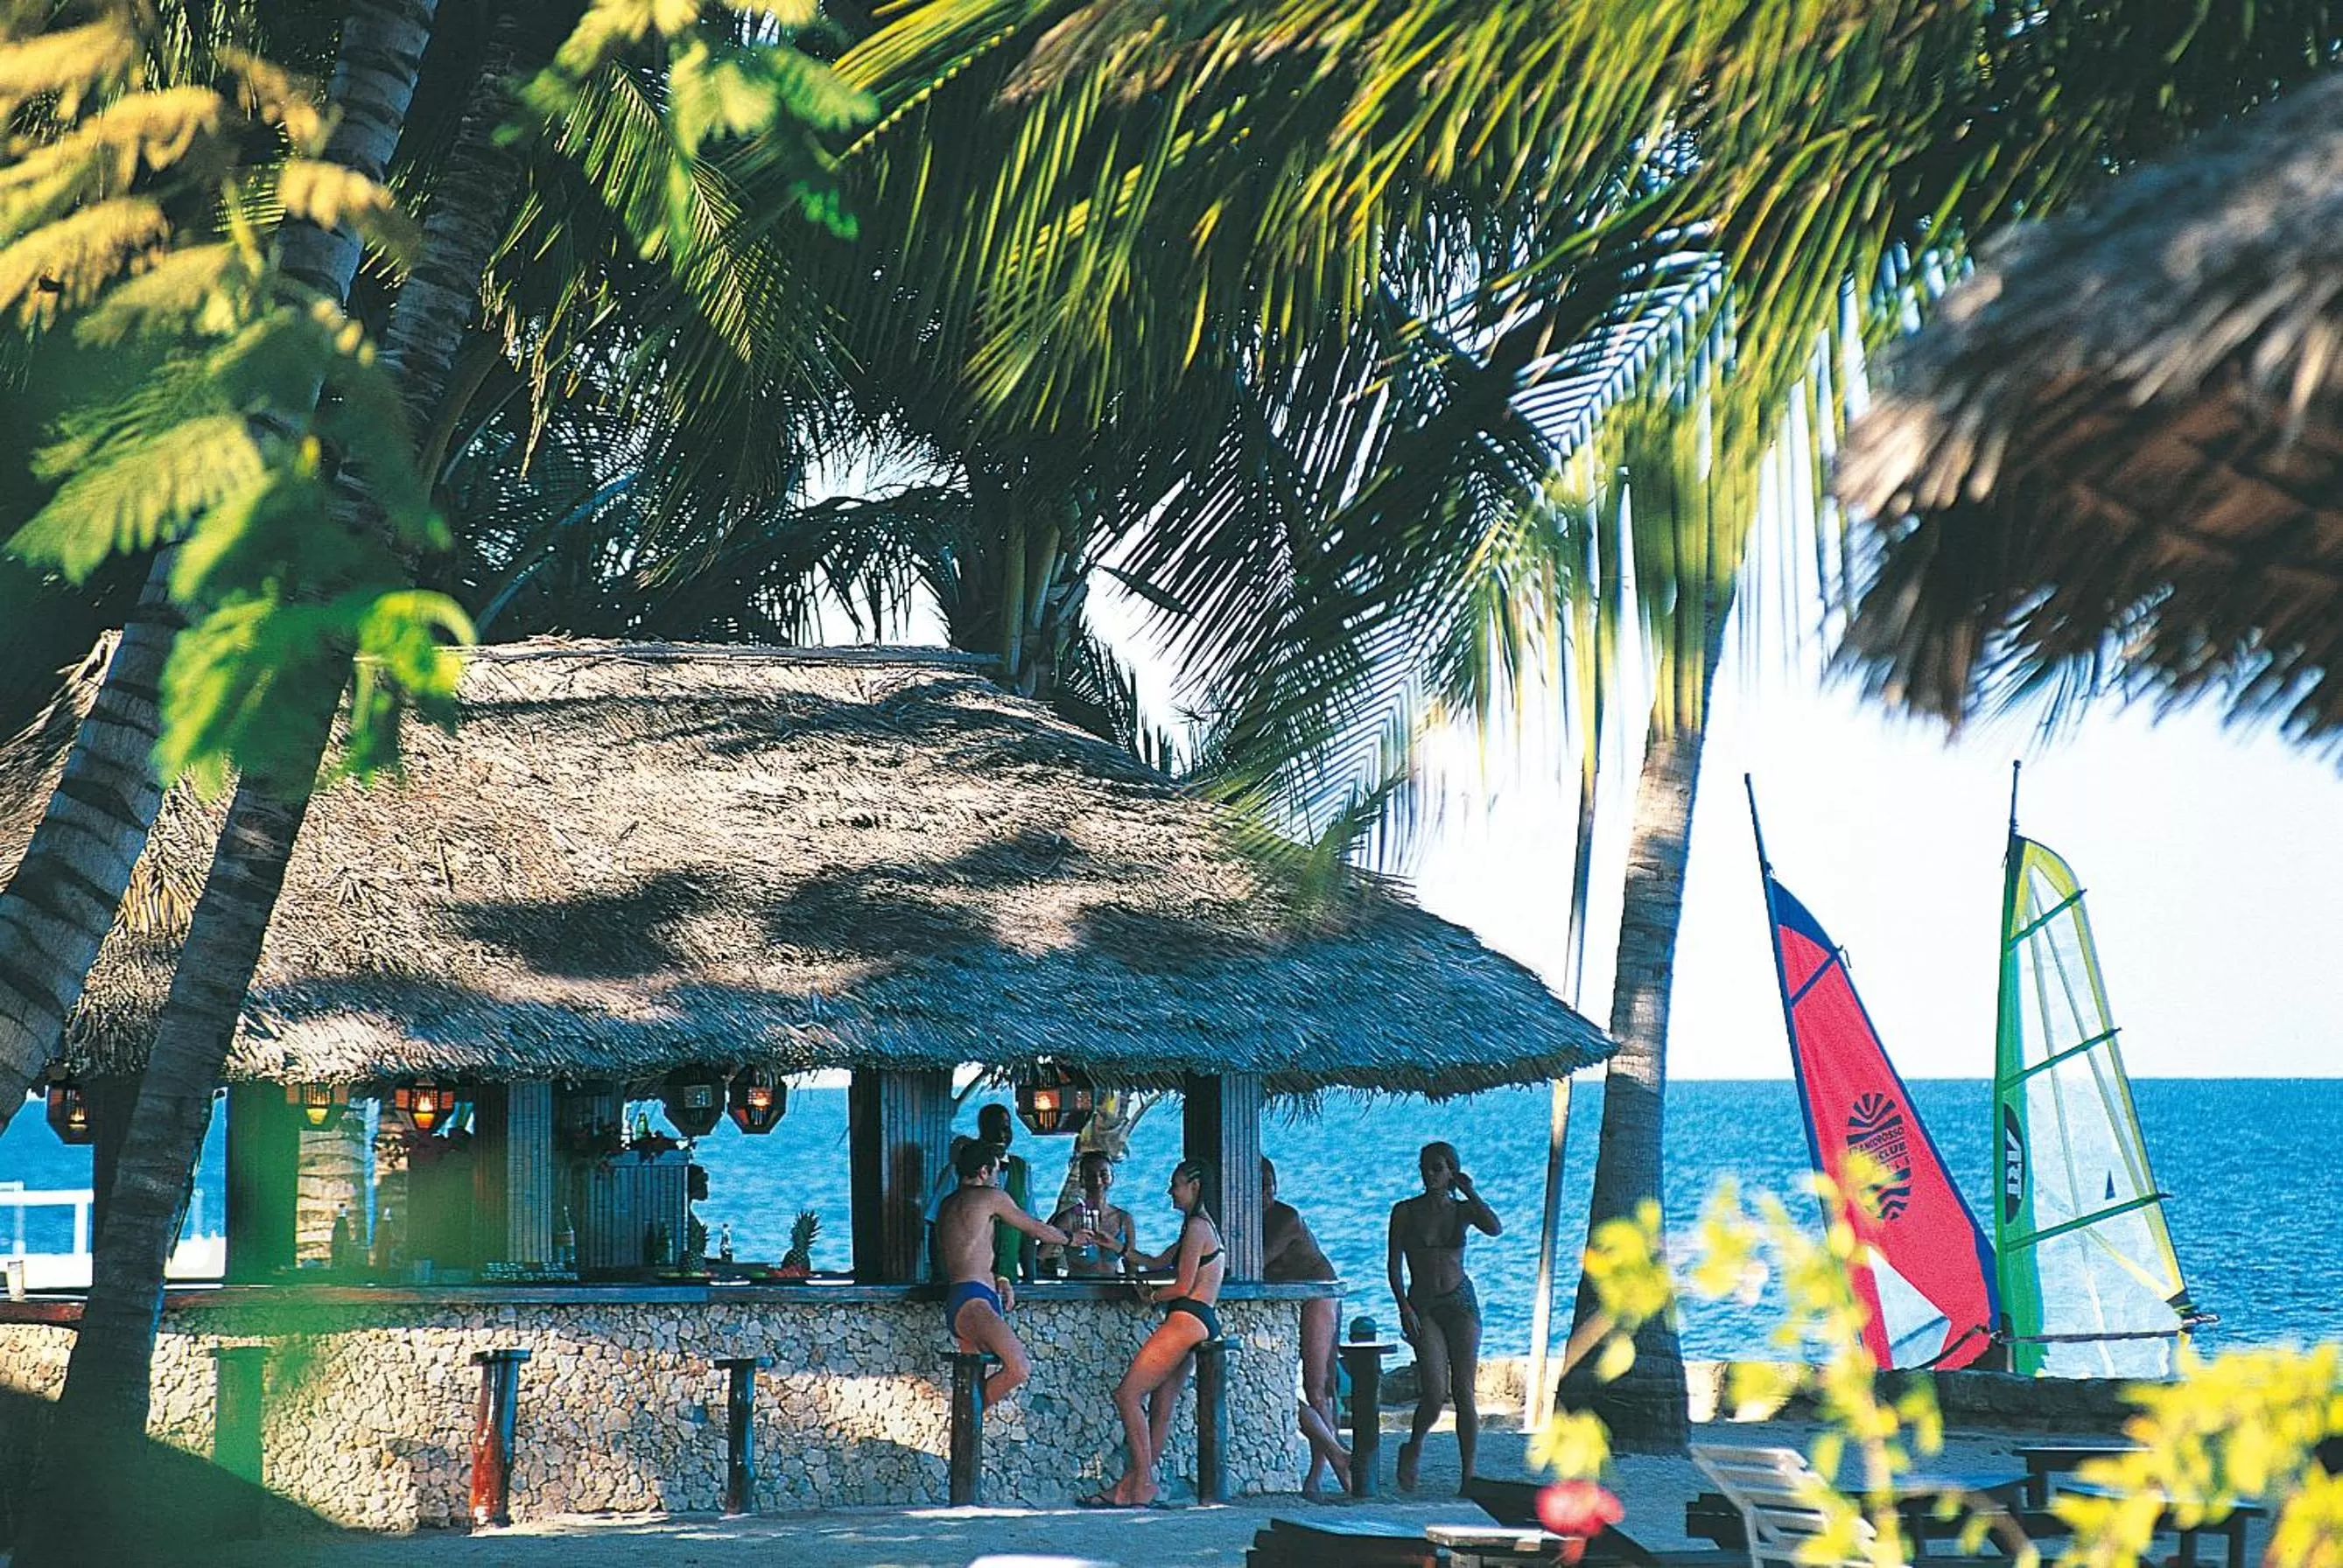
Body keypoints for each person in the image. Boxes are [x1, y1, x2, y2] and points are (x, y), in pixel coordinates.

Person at [1082, 1158, 1226, 1508]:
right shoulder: (1200, 1227)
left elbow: (1181, 1285)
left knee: (1127, 1395)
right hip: (1201, 1319)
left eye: (1175, 1185)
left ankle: (1143, 1483)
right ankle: (1128, 1487)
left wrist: (1149, 1296)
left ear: (1194, 1187)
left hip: (1187, 1317)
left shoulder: (1197, 1228)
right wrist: (1116, 1247)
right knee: (1161, 1405)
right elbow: (1158, 1262)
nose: (1169, 1191)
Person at [936, 1139, 1087, 1408]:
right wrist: (1071, 1238)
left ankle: (965, 1428)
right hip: (974, 1302)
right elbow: (1035, 1228)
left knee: (974, 1383)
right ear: (983, 1171)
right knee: (1018, 1368)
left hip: (963, 1295)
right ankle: (965, 1420)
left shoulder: (948, 1203)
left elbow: (966, 1252)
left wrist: (999, 1278)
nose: (998, 1179)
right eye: (996, 1172)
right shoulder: (991, 1197)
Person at [1386, 1139, 1499, 1493]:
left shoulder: (1463, 1211)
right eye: (1425, 1168)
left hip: (1460, 1299)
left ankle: (1469, 1477)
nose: (1429, 1174)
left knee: (1464, 1393)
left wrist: (1470, 1192)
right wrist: (1403, 1307)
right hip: (1423, 1304)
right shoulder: (1405, 1211)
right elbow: (1393, 1264)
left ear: (1451, 1171)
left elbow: (1495, 1228)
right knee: (1434, 1394)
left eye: (1437, 1168)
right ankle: (1414, 1445)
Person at [1263, 1157, 1350, 1499]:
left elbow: (1257, 1260)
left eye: (1269, 1185)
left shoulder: (1287, 1218)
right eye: (1258, 1187)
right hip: (1290, 1297)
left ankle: (1319, 1474)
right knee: (1296, 1388)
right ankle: (1336, 1457)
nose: (1265, 1193)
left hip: (1317, 1290)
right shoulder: (1245, 1219)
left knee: (1318, 1388)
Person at [1049, 1152, 1135, 1278]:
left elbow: (1132, 1265)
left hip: (1113, 1286)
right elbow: (1040, 1256)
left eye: (1103, 1174)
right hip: (1079, 1287)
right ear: (1082, 1181)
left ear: (1112, 1177)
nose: (1098, 1181)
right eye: (1090, 1176)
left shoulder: (1124, 1219)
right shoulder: (1069, 1219)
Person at [977, 1103, 1037, 1283]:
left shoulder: (1022, 1169)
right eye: (992, 1128)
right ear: (981, 1130)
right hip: (973, 1277)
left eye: (1005, 1128)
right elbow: (936, 1225)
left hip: (1009, 1278)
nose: (1000, 1134)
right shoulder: (961, 1169)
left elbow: (1029, 1227)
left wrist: (1031, 1279)